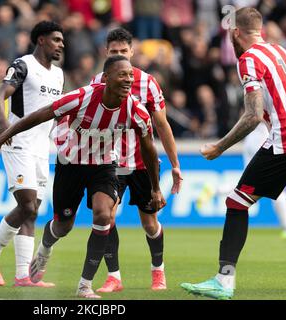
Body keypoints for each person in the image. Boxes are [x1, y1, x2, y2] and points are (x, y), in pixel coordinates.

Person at [0, 55, 166, 298]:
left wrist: (155, 188)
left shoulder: (137, 111)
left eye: (131, 75)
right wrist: (0, 138)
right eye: (122, 75)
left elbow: (150, 151)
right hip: (71, 163)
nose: (128, 80)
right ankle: (45, 248)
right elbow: (40, 115)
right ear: (107, 77)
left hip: (104, 165)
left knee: (103, 215)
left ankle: (84, 286)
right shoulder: (82, 97)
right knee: (63, 225)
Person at [181, 7, 286, 300]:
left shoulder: (249, 59)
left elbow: (251, 115)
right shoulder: (284, 52)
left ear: (235, 33)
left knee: (237, 201)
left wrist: (218, 147)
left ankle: (224, 281)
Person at [86, 28, 182, 293]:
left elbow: (162, 126)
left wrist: (175, 165)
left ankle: (158, 272)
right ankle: (114, 277)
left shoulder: (148, 83)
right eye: (114, 52)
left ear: (132, 52)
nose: (118, 55)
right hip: (110, 161)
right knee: (107, 218)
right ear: (107, 52)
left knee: (150, 223)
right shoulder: (97, 82)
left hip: (142, 163)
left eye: (123, 52)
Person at [0, 21, 64, 288]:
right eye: (56, 39)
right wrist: (5, 130)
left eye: (62, 40)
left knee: (33, 211)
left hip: (41, 148)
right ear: (40, 40)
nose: (61, 44)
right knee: (26, 204)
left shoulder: (59, 75)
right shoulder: (23, 65)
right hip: (18, 144)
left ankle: (22, 276)